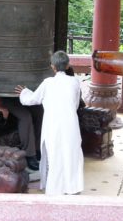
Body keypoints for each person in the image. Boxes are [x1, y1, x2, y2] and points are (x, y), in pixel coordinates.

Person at [15, 50, 84, 195]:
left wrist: (24, 92)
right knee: (71, 154)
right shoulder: (75, 82)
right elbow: (75, 104)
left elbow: (31, 99)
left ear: (52, 66)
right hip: (70, 124)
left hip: (53, 125)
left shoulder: (48, 83)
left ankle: (55, 188)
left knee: (55, 155)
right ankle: (72, 187)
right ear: (67, 65)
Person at [0, 96, 41, 171]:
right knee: (25, 116)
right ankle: (29, 154)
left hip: (23, 95)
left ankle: (37, 148)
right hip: (7, 97)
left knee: (40, 110)